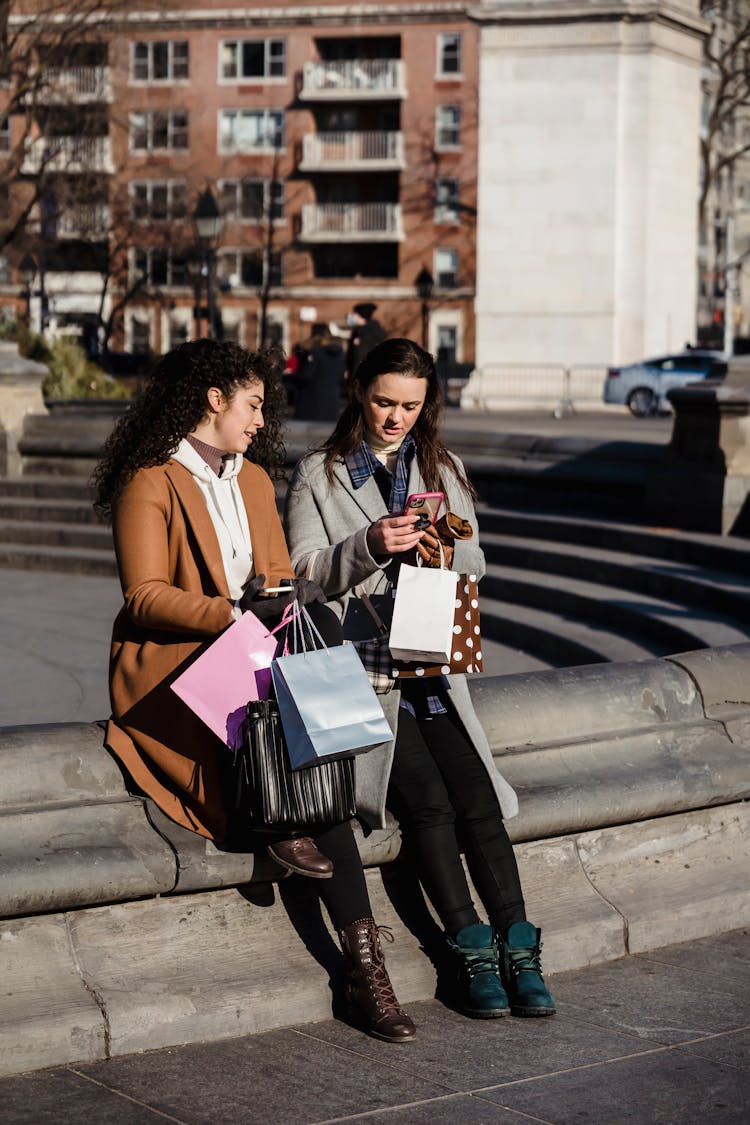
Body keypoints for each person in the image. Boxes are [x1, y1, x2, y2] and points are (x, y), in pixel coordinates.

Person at [92, 338, 415, 1044]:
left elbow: (279, 575)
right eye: (253, 403)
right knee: (312, 759)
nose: (261, 419)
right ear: (214, 399)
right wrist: (232, 615)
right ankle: (360, 960)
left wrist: (271, 605)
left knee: (317, 739)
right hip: (175, 668)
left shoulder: (251, 481)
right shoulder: (152, 481)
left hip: (254, 654)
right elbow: (144, 597)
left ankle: (363, 965)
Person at [284, 337, 555, 1019]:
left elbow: (478, 560)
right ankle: (468, 950)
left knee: (478, 796)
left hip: (431, 657)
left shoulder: (442, 465)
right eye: (383, 401)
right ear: (356, 390)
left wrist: (446, 547)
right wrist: (370, 543)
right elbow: (303, 577)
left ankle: (519, 949)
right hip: (364, 671)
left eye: (409, 404)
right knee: (427, 800)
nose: (395, 417)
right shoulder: (318, 473)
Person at [292, 330, 346, 422]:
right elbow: (341, 377)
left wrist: (290, 376)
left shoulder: (316, 353)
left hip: (310, 408)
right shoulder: (341, 356)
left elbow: (306, 375)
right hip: (332, 408)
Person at [346, 302, 386, 377]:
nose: (352, 316)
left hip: (366, 374)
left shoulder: (371, 332)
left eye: (355, 314)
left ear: (361, 315)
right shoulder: (357, 332)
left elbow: (360, 354)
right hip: (355, 373)